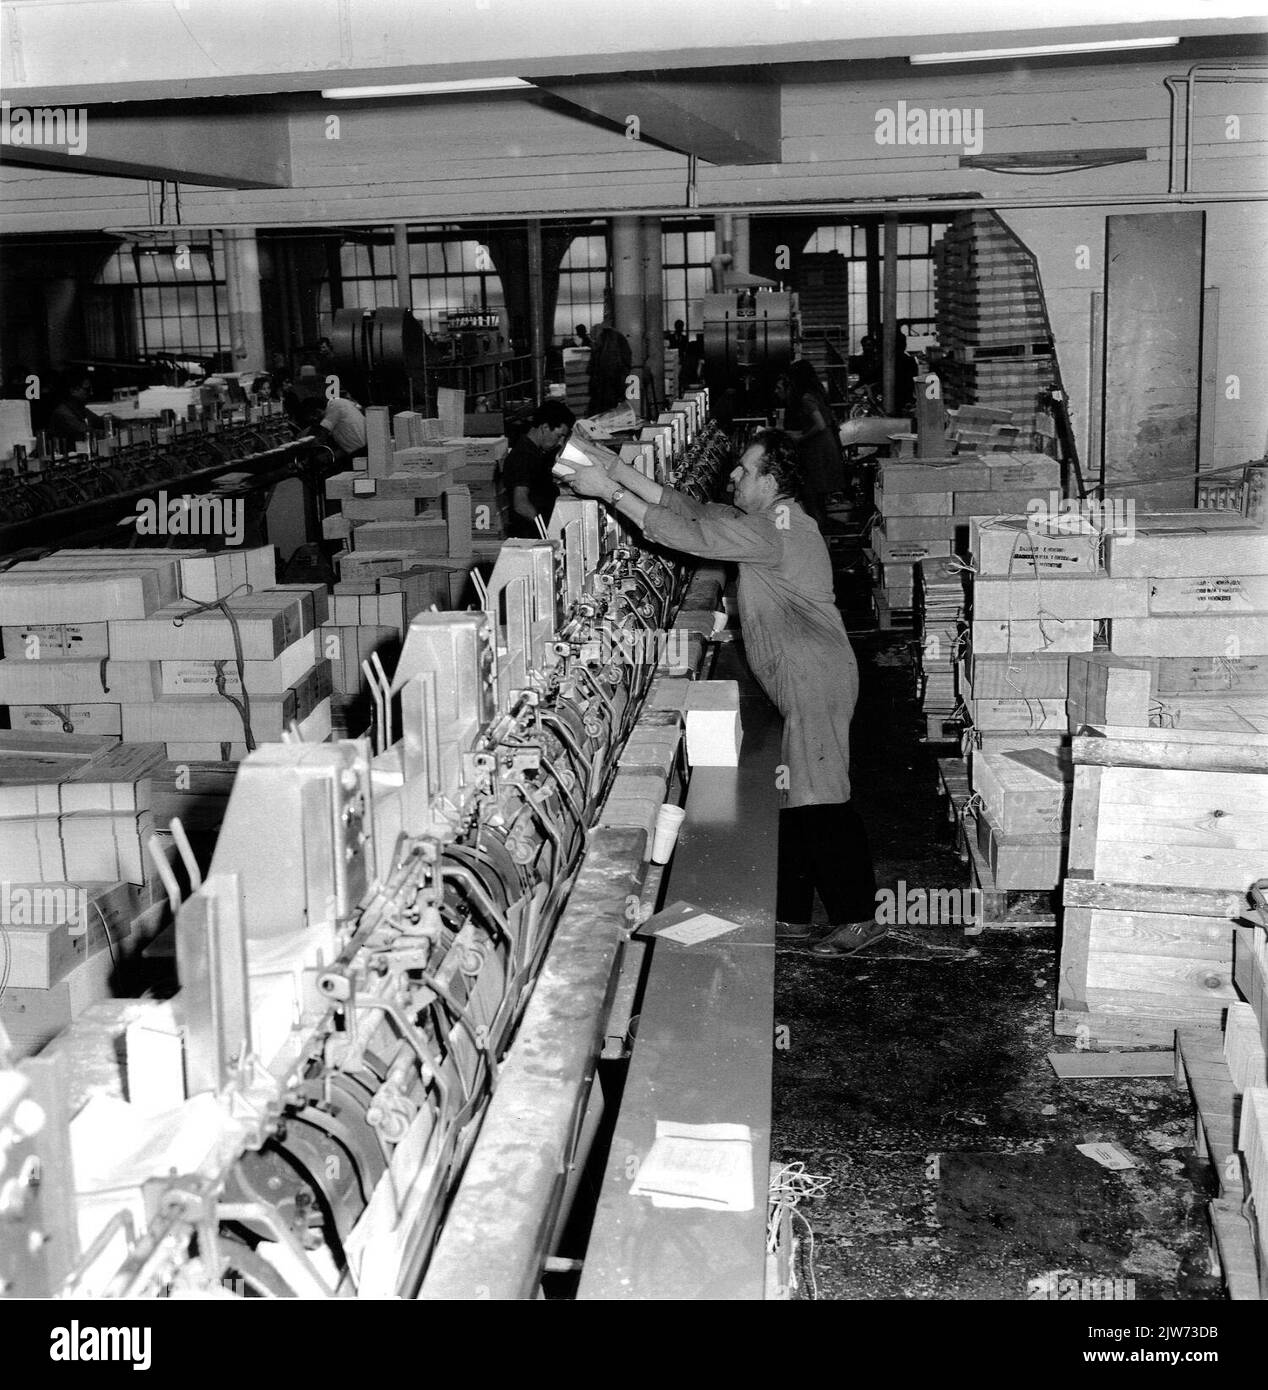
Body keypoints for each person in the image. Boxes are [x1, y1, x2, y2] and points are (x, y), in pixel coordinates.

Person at [564, 427, 882, 957]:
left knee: (822, 792)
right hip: (799, 672)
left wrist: (610, 494)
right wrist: (615, 469)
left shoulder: (777, 529)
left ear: (772, 481)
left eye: (745, 470)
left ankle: (858, 915)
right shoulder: (767, 520)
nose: (733, 475)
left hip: (813, 675)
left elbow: (693, 538)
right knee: (795, 788)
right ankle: (793, 913)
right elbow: (694, 511)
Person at [779, 359, 846, 529]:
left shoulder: (806, 398)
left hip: (817, 451)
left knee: (812, 495)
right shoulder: (817, 392)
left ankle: (818, 534)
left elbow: (820, 424)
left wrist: (800, 437)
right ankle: (821, 532)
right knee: (818, 498)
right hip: (826, 447)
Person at [503, 398, 576, 538]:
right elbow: (521, 504)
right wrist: (548, 532)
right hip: (530, 536)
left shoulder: (535, 453)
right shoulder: (523, 456)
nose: (560, 443)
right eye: (559, 436)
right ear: (545, 427)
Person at [291, 393, 367, 467]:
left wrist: (300, 448)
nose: (315, 420)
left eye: (313, 418)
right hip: (364, 446)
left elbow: (320, 436)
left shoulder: (333, 408)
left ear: (317, 412)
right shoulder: (341, 401)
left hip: (361, 452)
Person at [44, 376, 103, 449]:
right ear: (73, 390)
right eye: (87, 389)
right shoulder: (63, 412)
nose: (91, 392)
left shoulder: (78, 408)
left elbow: (99, 421)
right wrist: (110, 431)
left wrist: (113, 421)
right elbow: (85, 431)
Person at [587, 320, 632, 413]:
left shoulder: (608, 343)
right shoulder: (614, 338)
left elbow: (604, 368)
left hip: (608, 388)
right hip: (614, 387)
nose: (594, 343)